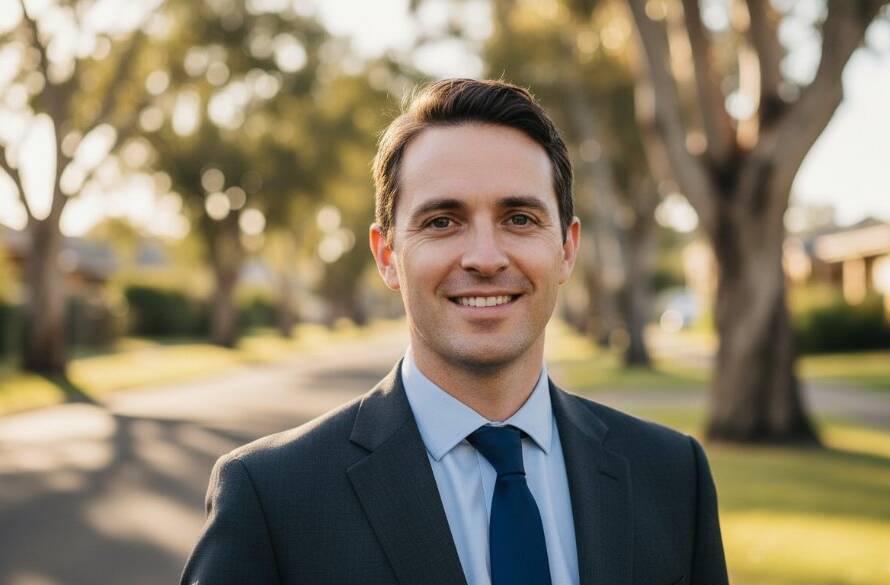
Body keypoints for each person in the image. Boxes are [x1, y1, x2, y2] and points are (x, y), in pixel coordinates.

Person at [180, 78, 729, 585]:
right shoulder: (272, 496)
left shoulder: (672, 475)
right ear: (388, 255)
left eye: (519, 218)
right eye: (442, 221)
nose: (485, 258)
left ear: (566, 249)